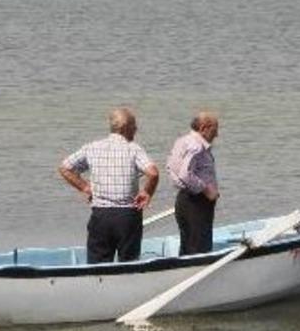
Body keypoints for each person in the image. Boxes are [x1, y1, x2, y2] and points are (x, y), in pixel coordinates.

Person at [58, 107, 159, 264]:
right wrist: (147, 193)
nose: (136, 129)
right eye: (134, 125)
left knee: (97, 267)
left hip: (101, 216)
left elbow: (65, 168)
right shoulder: (133, 149)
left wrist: (85, 187)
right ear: (125, 128)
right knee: (129, 266)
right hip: (127, 216)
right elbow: (153, 173)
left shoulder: (92, 147)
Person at [166, 111, 220, 255]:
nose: (217, 135)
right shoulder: (197, 146)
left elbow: (170, 168)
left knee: (186, 246)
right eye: (215, 130)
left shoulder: (181, 141)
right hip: (197, 204)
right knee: (199, 249)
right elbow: (185, 174)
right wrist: (206, 190)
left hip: (183, 200)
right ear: (203, 128)